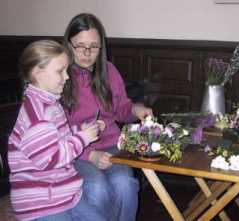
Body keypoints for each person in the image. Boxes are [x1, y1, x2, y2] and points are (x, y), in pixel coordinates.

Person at [62, 13, 153, 221]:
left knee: (126, 185)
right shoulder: (61, 76)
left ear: (101, 47)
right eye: (80, 46)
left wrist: (135, 110)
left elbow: (121, 108)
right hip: (76, 150)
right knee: (97, 186)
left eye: (93, 47)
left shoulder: (109, 70)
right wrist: (89, 156)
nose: (87, 53)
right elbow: (57, 132)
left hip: (113, 146)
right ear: (68, 45)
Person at [8, 40, 107, 221]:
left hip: (61, 192)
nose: (67, 77)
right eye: (60, 71)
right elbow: (51, 159)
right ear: (38, 72)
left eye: (66, 70)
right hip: (41, 202)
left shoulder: (50, 102)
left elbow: (59, 137)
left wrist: (81, 130)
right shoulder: (36, 115)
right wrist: (83, 138)